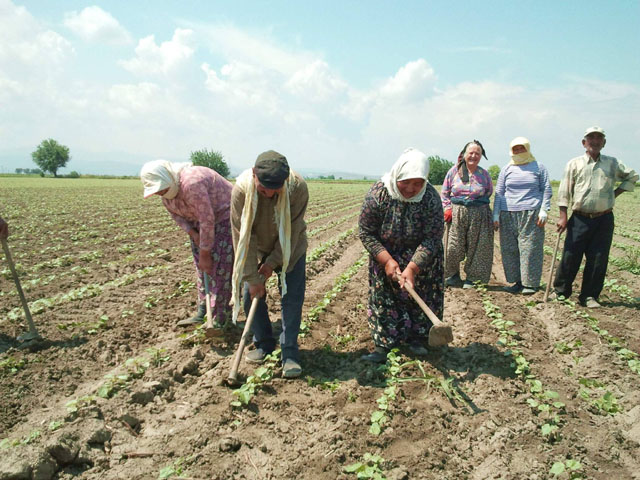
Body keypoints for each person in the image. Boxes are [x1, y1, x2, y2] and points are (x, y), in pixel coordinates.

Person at [359, 148, 444, 363]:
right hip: (386, 254)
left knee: (420, 295)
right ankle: (383, 344)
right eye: (405, 182)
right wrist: (386, 259)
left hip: (421, 258)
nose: (411, 188)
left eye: (418, 183)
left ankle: (416, 340)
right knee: (384, 298)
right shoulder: (379, 194)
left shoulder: (430, 198)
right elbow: (366, 232)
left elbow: (433, 237)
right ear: (397, 175)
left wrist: (413, 267)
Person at [230, 150, 308, 379]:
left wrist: (273, 263)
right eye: (264, 189)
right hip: (256, 247)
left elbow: (292, 232)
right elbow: (242, 237)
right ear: (254, 174)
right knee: (250, 295)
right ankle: (263, 343)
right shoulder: (241, 192)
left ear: (285, 181)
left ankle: (290, 353)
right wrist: (255, 277)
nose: (270, 194)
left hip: (291, 248)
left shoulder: (297, 188)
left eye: (276, 190)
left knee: (291, 298)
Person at [140, 160, 234, 326]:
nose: (159, 192)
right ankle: (203, 311)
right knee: (202, 268)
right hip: (199, 223)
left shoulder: (192, 183)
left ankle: (220, 318)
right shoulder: (167, 195)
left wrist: (205, 252)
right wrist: (193, 234)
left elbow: (207, 218)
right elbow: (176, 216)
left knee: (219, 268)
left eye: (161, 188)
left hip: (225, 217)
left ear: (167, 178)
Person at [552, 126, 638, 308]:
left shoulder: (612, 163)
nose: (595, 141)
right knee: (570, 256)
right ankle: (560, 292)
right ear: (584, 143)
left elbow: (633, 176)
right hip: (579, 218)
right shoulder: (574, 164)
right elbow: (564, 191)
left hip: (603, 219)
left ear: (604, 143)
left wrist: (615, 193)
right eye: (591, 138)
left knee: (598, 258)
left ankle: (589, 296)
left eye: (599, 138)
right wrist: (562, 216)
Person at [493, 137, 552, 294]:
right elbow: (499, 193)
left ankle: (530, 284)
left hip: (531, 213)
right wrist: (496, 215)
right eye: (515, 149)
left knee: (529, 248)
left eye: (522, 148)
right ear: (511, 151)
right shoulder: (506, 169)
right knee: (510, 249)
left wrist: (544, 210)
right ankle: (517, 282)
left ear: (528, 149)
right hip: (508, 213)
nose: (519, 151)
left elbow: (546, 189)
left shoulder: (538, 167)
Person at [441, 140, 494, 288]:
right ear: (464, 154)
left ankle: (473, 278)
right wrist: (447, 208)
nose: (473, 156)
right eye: (471, 153)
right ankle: (452, 275)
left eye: (477, 153)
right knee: (453, 246)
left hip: (479, 213)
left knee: (477, 246)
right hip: (457, 212)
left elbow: (489, 192)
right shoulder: (453, 172)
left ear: (481, 156)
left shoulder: (484, 174)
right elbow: (445, 193)